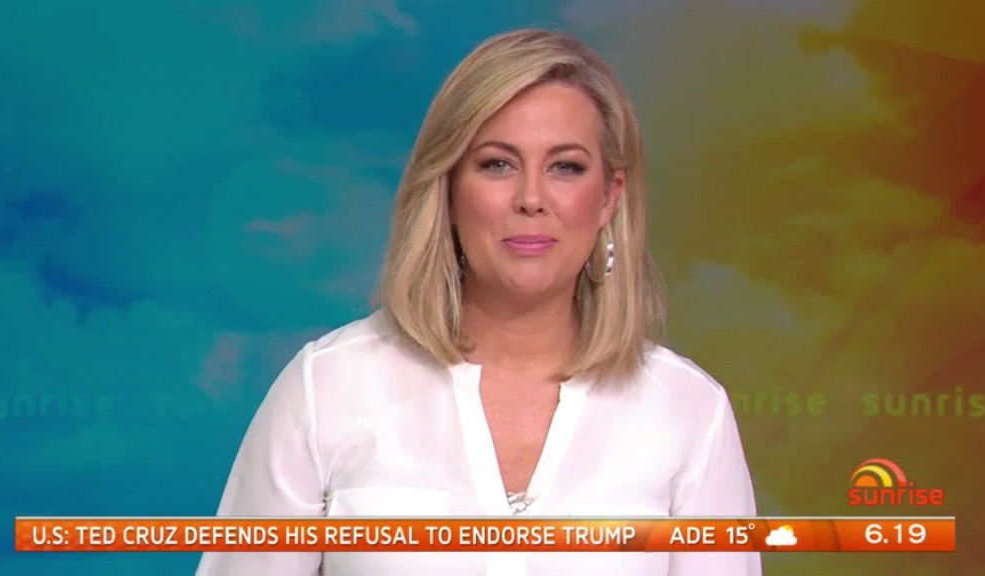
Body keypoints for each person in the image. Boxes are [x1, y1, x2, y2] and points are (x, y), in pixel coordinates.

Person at [195, 28, 762, 576]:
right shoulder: (327, 388)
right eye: (498, 164)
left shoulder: (688, 411)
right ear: (447, 189)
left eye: (565, 167)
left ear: (609, 198)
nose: (532, 199)